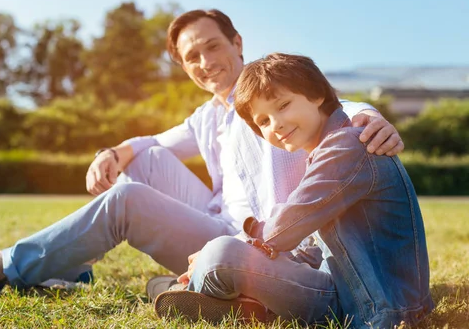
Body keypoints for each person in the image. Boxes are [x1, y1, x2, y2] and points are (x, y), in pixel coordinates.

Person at [0, 10, 404, 294]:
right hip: (218, 223)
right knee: (139, 162)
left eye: (212, 47)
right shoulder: (207, 116)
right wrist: (112, 151)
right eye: (192, 57)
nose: (205, 62)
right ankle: (64, 260)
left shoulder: (273, 97)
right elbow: (153, 145)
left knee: (127, 201)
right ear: (185, 68)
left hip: (270, 241)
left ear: (237, 42)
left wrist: (369, 117)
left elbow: (334, 104)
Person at [156, 53, 433, 328]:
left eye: (284, 105)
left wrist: (233, 248)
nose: (275, 124)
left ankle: (196, 290)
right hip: (349, 290)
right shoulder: (328, 149)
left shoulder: (348, 146)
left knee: (221, 252)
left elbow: (283, 230)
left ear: (316, 95)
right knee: (232, 254)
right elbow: (316, 246)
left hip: (376, 307)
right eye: (263, 121)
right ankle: (241, 303)